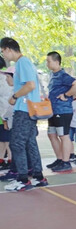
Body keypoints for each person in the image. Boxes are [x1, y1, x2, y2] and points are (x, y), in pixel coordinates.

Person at [0, 37, 48, 191]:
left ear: (8, 49)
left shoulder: (22, 62)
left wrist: (14, 96)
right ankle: (38, 177)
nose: (4, 56)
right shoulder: (24, 63)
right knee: (29, 143)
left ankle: (22, 179)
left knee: (17, 144)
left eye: (3, 52)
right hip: (29, 109)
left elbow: (30, 85)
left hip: (24, 109)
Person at [45, 51, 76, 172]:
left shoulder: (62, 75)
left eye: (49, 61)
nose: (47, 64)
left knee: (64, 135)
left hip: (62, 110)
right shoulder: (52, 75)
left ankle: (66, 162)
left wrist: (66, 95)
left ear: (56, 62)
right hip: (53, 110)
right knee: (51, 134)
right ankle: (60, 159)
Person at [0, 58, 12, 171]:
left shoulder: (4, 76)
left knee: (7, 139)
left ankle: (10, 160)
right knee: (3, 139)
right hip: (3, 112)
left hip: (5, 112)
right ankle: (3, 160)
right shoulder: (6, 74)